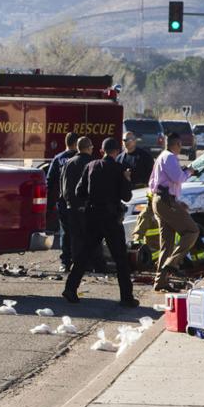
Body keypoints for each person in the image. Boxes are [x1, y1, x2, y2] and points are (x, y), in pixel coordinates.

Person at [63, 137, 138, 308]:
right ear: (116, 152)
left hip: (92, 216)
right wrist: (126, 179)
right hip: (111, 218)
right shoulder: (119, 169)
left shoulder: (90, 166)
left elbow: (79, 192)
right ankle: (126, 297)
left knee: (83, 254)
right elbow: (126, 196)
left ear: (102, 151)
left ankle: (70, 288)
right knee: (120, 258)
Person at [149, 132, 199, 291]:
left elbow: (153, 182)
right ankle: (171, 264)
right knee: (192, 230)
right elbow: (178, 178)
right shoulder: (169, 157)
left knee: (167, 244)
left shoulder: (161, 157)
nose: (181, 148)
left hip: (162, 201)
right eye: (180, 145)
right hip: (165, 202)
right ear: (176, 144)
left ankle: (161, 281)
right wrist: (189, 172)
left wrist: (176, 202)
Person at [61, 136, 106, 271]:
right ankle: (96, 265)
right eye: (92, 147)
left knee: (76, 239)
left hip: (72, 208)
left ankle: (79, 264)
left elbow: (63, 185)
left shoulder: (68, 163)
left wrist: (69, 202)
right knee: (93, 237)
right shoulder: (95, 163)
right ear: (88, 148)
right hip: (90, 207)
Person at [45, 132, 79, 270]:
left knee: (65, 232)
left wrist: (49, 202)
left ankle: (65, 262)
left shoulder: (58, 158)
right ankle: (79, 261)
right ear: (76, 143)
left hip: (63, 201)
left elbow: (49, 180)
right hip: (79, 201)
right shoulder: (79, 158)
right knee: (79, 231)